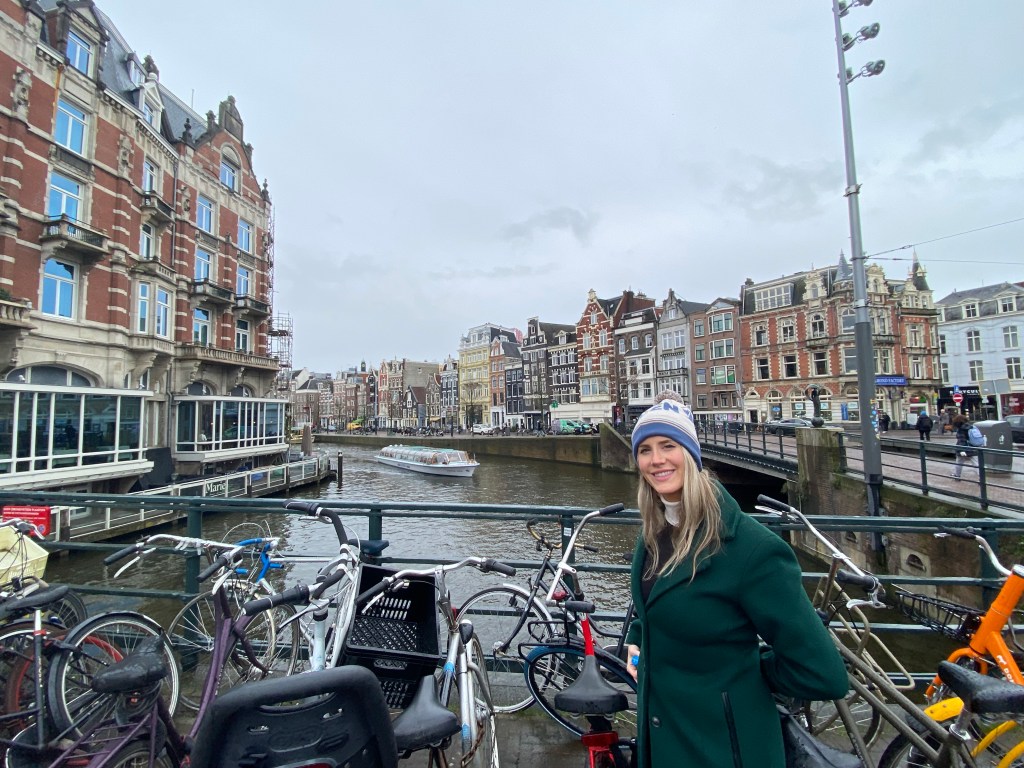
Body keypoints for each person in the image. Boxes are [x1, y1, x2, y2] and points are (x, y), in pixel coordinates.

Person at [624, 392, 848, 768]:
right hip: (664, 737)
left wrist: (742, 674)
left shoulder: (752, 549)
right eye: (645, 449)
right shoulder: (655, 533)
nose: (656, 459)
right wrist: (638, 639)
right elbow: (657, 602)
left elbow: (822, 673)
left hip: (724, 747)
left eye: (668, 445)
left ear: (691, 454)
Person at [951, 414, 978, 481]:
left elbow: (961, 440)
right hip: (973, 447)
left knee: (959, 463)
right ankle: (982, 478)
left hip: (963, 449)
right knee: (976, 464)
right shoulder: (971, 427)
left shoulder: (961, 429)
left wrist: (961, 450)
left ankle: (957, 476)